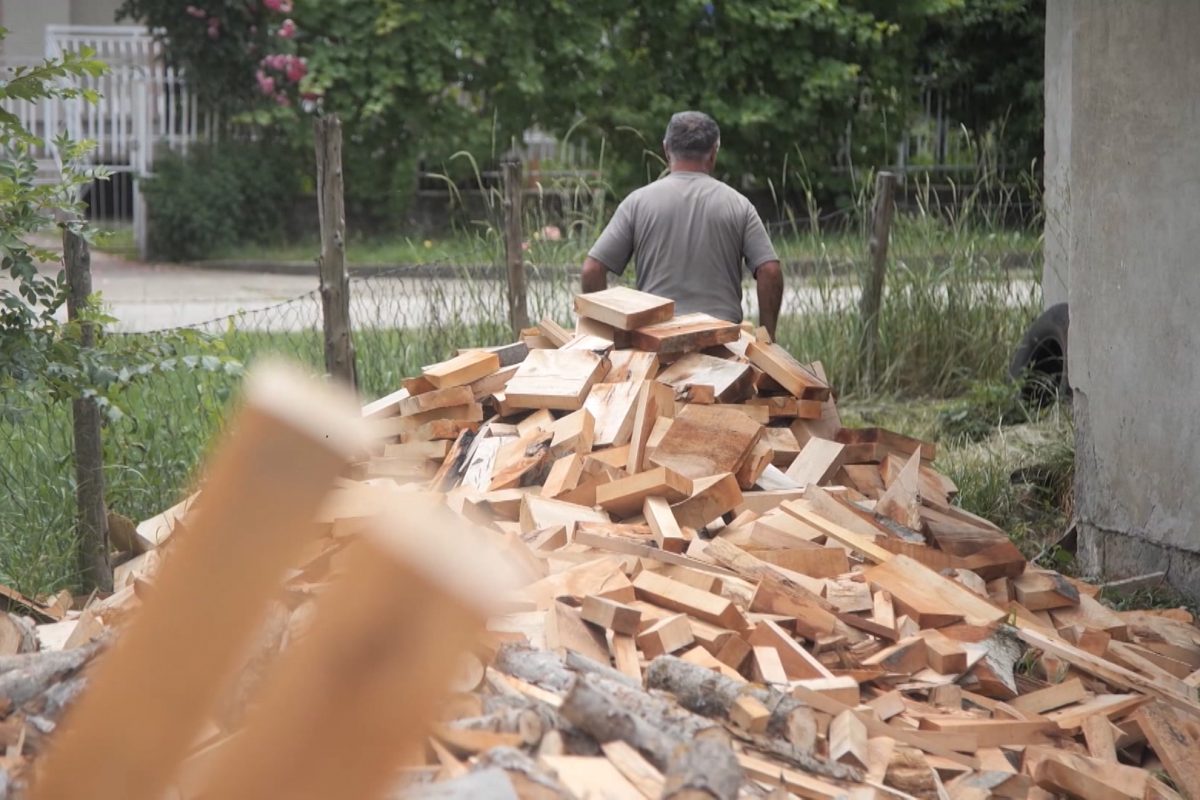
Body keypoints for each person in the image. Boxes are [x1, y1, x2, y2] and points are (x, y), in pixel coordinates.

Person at [580, 111, 784, 339]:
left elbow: (592, 269)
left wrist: (601, 335)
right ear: (714, 152)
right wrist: (768, 338)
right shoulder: (738, 205)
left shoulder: (637, 203)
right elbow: (770, 270)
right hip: (722, 343)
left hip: (656, 345)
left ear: (666, 149)